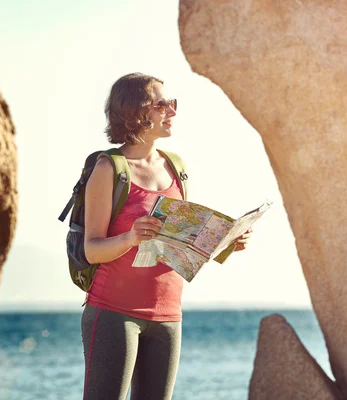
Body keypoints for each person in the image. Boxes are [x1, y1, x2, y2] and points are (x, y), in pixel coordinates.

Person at [80, 73, 252, 400]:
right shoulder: (109, 169)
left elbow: (179, 241)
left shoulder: (177, 167)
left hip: (169, 316)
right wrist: (130, 238)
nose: (172, 111)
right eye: (163, 104)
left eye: (172, 103)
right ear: (135, 111)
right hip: (114, 314)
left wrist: (225, 244)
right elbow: (91, 250)